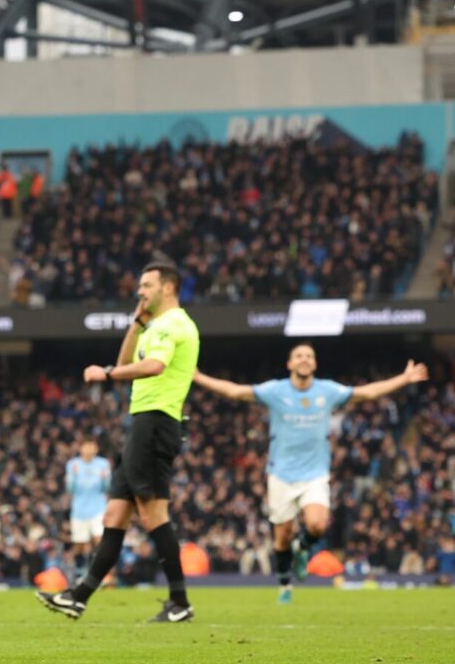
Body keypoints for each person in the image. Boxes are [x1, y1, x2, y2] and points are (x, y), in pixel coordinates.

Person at [193, 344, 428, 603]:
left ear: (314, 364)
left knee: (317, 523)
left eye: (309, 356)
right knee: (281, 538)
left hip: (315, 473)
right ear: (290, 364)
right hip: (281, 474)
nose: (304, 360)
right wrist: (198, 377)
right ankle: (285, 585)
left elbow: (368, 392)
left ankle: (303, 548)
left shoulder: (327, 391)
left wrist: (404, 378)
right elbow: (235, 392)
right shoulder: (275, 391)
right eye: (299, 356)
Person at [37, 258, 200, 623]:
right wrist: (137, 322)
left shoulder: (172, 324)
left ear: (167, 288)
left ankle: (180, 602)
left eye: (147, 286)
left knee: (153, 513)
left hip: (156, 421)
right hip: (145, 421)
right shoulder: (154, 325)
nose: (140, 292)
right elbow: (126, 358)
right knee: (115, 513)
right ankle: (78, 597)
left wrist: (106, 374)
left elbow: (153, 366)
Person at [65, 437, 110, 580]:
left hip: (98, 508)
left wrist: (106, 479)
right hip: (79, 511)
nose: (89, 449)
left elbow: (107, 488)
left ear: (97, 449)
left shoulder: (103, 464)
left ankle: (98, 574)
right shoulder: (73, 464)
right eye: (86, 446)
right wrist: (72, 477)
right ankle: (79, 572)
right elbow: (70, 489)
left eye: (92, 446)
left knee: (100, 540)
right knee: (79, 545)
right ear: (81, 448)